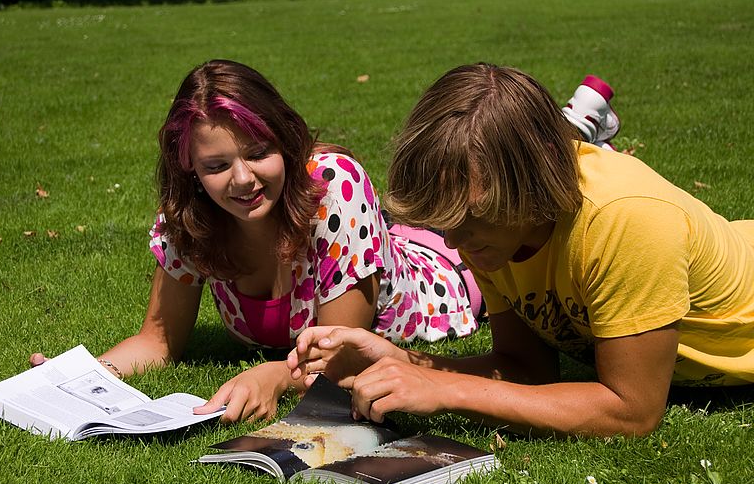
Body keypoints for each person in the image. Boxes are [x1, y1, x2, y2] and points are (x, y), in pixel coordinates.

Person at [287, 62, 754, 439]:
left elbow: (631, 410)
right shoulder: (490, 231)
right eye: (443, 224)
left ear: (531, 183)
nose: (451, 243)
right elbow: (525, 368)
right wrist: (396, 361)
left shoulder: (625, 220)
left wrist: (444, 388)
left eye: (469, 219)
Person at [33, 59, 484, 422]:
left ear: (284, 140)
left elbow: (342, 350)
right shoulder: (189, 216)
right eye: (216, 166)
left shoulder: (335, 185)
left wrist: (274, 375)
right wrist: (78, 378)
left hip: (441, 276)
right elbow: (156, 341)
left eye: (258, 153)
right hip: (369, 240)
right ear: (189, 167)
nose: (243, 180)